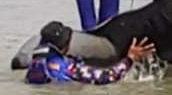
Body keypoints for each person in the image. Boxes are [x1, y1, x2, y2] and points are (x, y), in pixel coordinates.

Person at [24, 20, 157, 85]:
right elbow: (107, 77)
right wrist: (130, 58)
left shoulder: (36, 64)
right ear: (64, 45)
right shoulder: (69, 68)